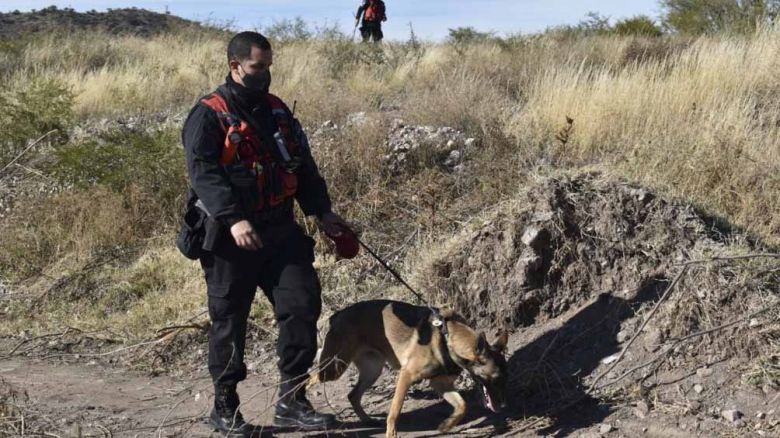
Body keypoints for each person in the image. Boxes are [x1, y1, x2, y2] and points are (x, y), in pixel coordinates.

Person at [181, 31, 351, 435]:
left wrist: (323, 212)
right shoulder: (207, 114)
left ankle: (292, 401)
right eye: (258, 67)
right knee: (229, 321)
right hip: (229, 239)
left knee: (302, 307)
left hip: (281, 232)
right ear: (235, 65)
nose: (265, 75)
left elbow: (303, 167)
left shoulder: (278, 112)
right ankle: (225, 409)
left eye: (269, 67)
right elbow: (202, 173)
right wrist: (232, 218)